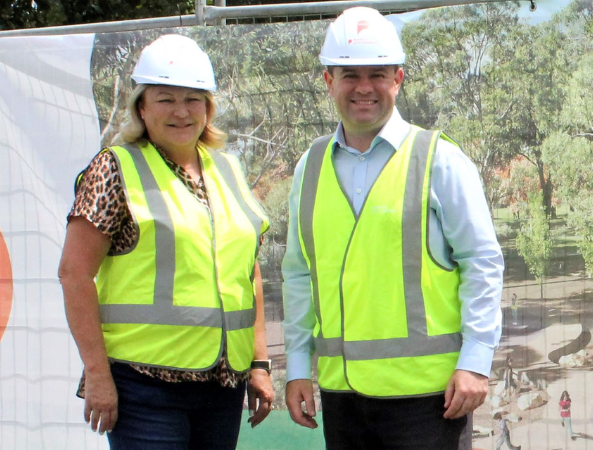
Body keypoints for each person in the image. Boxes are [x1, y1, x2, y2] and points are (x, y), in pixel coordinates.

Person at [280, 7, 505, 450]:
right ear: (329, 82)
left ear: (398, 79)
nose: (364, 87)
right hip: (344, 399)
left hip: (429, 399)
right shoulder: (310, 166)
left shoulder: (439, 159)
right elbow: (299, 273)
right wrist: (297, 366)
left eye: (377, 74)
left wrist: (476, 362)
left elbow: (481, 262)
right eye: (349, 75)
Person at [58, 34, 275, 449]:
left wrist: (260, 364)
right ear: (141, 106)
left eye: (193, 99)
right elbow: (74, 273)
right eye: (165, 98)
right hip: (144, 388)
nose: (181, 111)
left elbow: (248, 272)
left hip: (221, 387)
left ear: (208, 108)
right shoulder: (114, 168)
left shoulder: (226, 169)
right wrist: (98, 374)